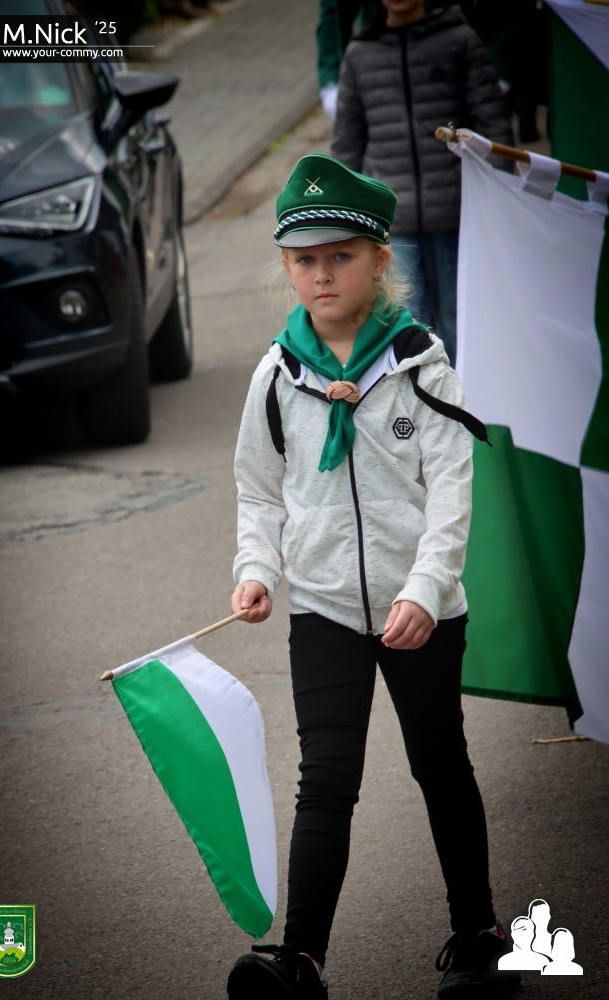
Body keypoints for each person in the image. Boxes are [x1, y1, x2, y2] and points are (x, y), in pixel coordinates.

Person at [225, 153, 518, 999]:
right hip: (321, 609)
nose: (321, 274)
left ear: (379, 258)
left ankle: (479, 937)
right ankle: (300, 960)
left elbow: (451, 493)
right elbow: (259, 489)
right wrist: (257, 568)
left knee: (440, 765)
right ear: (286, 267)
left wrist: (424, 591)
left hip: (420, 609)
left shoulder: (422, 366)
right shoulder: (275, 375)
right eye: (303, 259)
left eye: (339, 256)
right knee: (325, 781)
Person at [330, 0, 513, 366]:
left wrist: (500, 199)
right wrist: (345, 222)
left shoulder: (458, 40)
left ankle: (464, 400)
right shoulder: (361, 53)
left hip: (458, 217)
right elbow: (347, 146)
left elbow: (493, 127)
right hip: (392, 228)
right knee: (407, 328)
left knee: (462, 323)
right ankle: (419, 401)